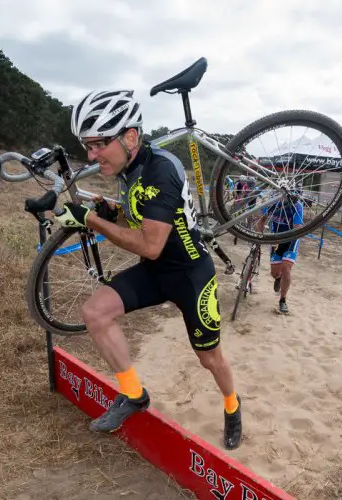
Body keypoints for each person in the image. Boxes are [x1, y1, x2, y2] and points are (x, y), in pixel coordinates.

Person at [58, 89, 242, 449]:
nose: (91, 155)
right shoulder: (128, 167)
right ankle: (133, 394)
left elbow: (150, 243)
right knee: (95, 313)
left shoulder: (162, 169)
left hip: (190, 274)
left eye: (97, 144)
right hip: (156, 271)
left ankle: (232, 406)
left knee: (209, 358)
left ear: (129, 136)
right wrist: (113, 213)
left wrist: (92, 220)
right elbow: (143, 217)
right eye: (86, 146)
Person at [256, 195, 304, 314]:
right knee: (274, 273)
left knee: (286, 267)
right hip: (275, 239)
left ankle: (282, 300)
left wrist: (286, 238)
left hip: (291, 239)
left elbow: (297, 228)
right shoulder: (271, 203)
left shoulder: (297, 205)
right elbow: (262, 221)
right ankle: (278, 278)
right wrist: (257, 238)